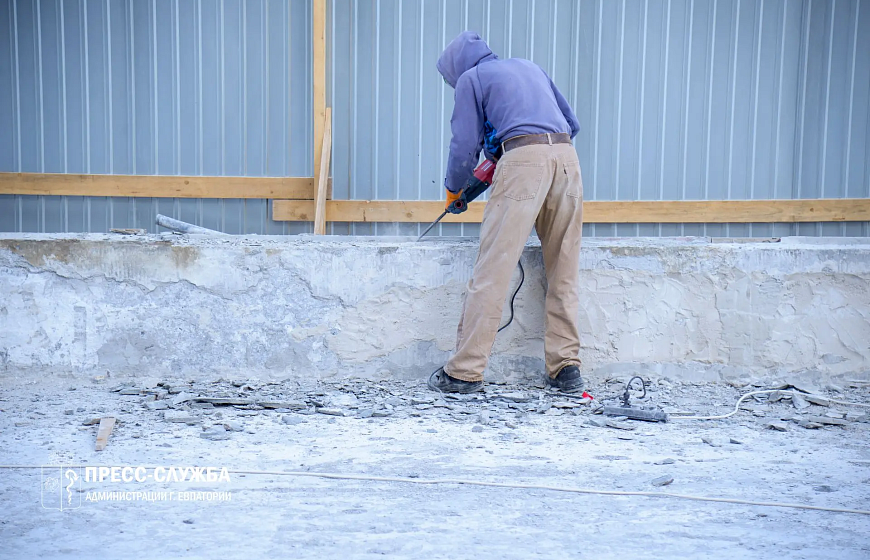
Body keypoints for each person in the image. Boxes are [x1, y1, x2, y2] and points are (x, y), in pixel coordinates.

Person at [427, 31, 585, 394]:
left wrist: (454, 189)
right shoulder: (529, 66)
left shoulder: (471, 78)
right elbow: (571, 125)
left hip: (524, 162)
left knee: (493, 269)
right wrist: (504, 150)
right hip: (567, 161)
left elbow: (463, 146)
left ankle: (462, 372)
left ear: (456, 69)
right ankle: (566, 369)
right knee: (563, 267)